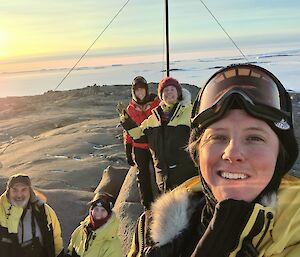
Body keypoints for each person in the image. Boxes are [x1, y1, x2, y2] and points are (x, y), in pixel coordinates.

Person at [127, 63, 300, 257]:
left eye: (254, 138)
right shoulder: (152, 228)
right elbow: (140, 134)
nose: (232, 153)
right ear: (197, 152)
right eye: (218, 137)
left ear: (281, 154)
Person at [118, 76, 198, 194]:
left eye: (172, 89)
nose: (169, 92)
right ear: (161, 95)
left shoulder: (189, 112)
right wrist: (127, 123)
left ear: (179, 93)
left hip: (186, 178)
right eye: (165, 90)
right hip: (164, 179)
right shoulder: (155, 116)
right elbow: (139, 135)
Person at [0, 173, 64, 257]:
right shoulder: (1, 210)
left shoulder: (44, 210)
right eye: (15, 190)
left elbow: (56, 239)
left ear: (30, 190)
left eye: (24, 190)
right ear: (8, 191)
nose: (19, 195)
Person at [124, 76, 160, 209]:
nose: (140, 93)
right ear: (133, 92)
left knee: (160, 172)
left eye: (142, 90)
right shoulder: (130, 109)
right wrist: (128, 148)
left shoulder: (156, 103)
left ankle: (164, 198)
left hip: (154, 144)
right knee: (142, 176)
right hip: (139, 147)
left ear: (146, 90)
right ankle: (147, 205)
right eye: (137, 90)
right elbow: (128, 130)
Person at [67, 192, 123, 257]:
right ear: (91, 210)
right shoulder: (80, 231)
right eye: (96, 209)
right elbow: (70, 250)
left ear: (109, 214)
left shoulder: (113, 244)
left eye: (103, 210)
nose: (98, 214)